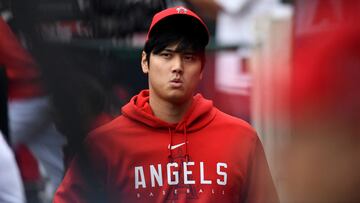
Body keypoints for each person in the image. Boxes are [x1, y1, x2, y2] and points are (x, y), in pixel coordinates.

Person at [54, 6, 278, 203]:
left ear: (202, 68)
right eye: (166, 54)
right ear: (145, 62)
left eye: (188, 57)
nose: (177, 66)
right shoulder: (105, 146)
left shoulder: (240, 139)